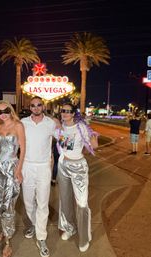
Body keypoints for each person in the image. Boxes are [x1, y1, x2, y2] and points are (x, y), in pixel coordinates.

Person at [55, 103, 97, 253]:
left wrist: (92, 134)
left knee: (81, 203)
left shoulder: (81, 127)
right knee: (65, 199)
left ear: (73, 113)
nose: (65, 113)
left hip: (78, 167)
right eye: (63, 111)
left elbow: (94, 145)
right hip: (62, 166)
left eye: (68, 111)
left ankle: (84, 237)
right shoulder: (59, 128)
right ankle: (70, 228)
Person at [21, 96, 59, 257]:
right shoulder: (23, 123)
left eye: (39, 105)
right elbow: (13, 141)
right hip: (26, 167)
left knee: (42, 204)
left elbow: (64, 140)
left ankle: (41, 237)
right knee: (28, 202)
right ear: (30, 108)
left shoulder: (50, 123)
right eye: (33, 105)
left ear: (43, 106)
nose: (36, 107)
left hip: (43, 168)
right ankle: (35, 225)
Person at [0, 100, 25, 257]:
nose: (3, 114)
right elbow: (0, 145)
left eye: (5, 111)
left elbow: (22, 148)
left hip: (11, 168)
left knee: (9, 204)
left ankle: (8, 241)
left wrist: (19, 170)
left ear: (11, 111)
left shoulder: (18, 126)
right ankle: (2, 230)